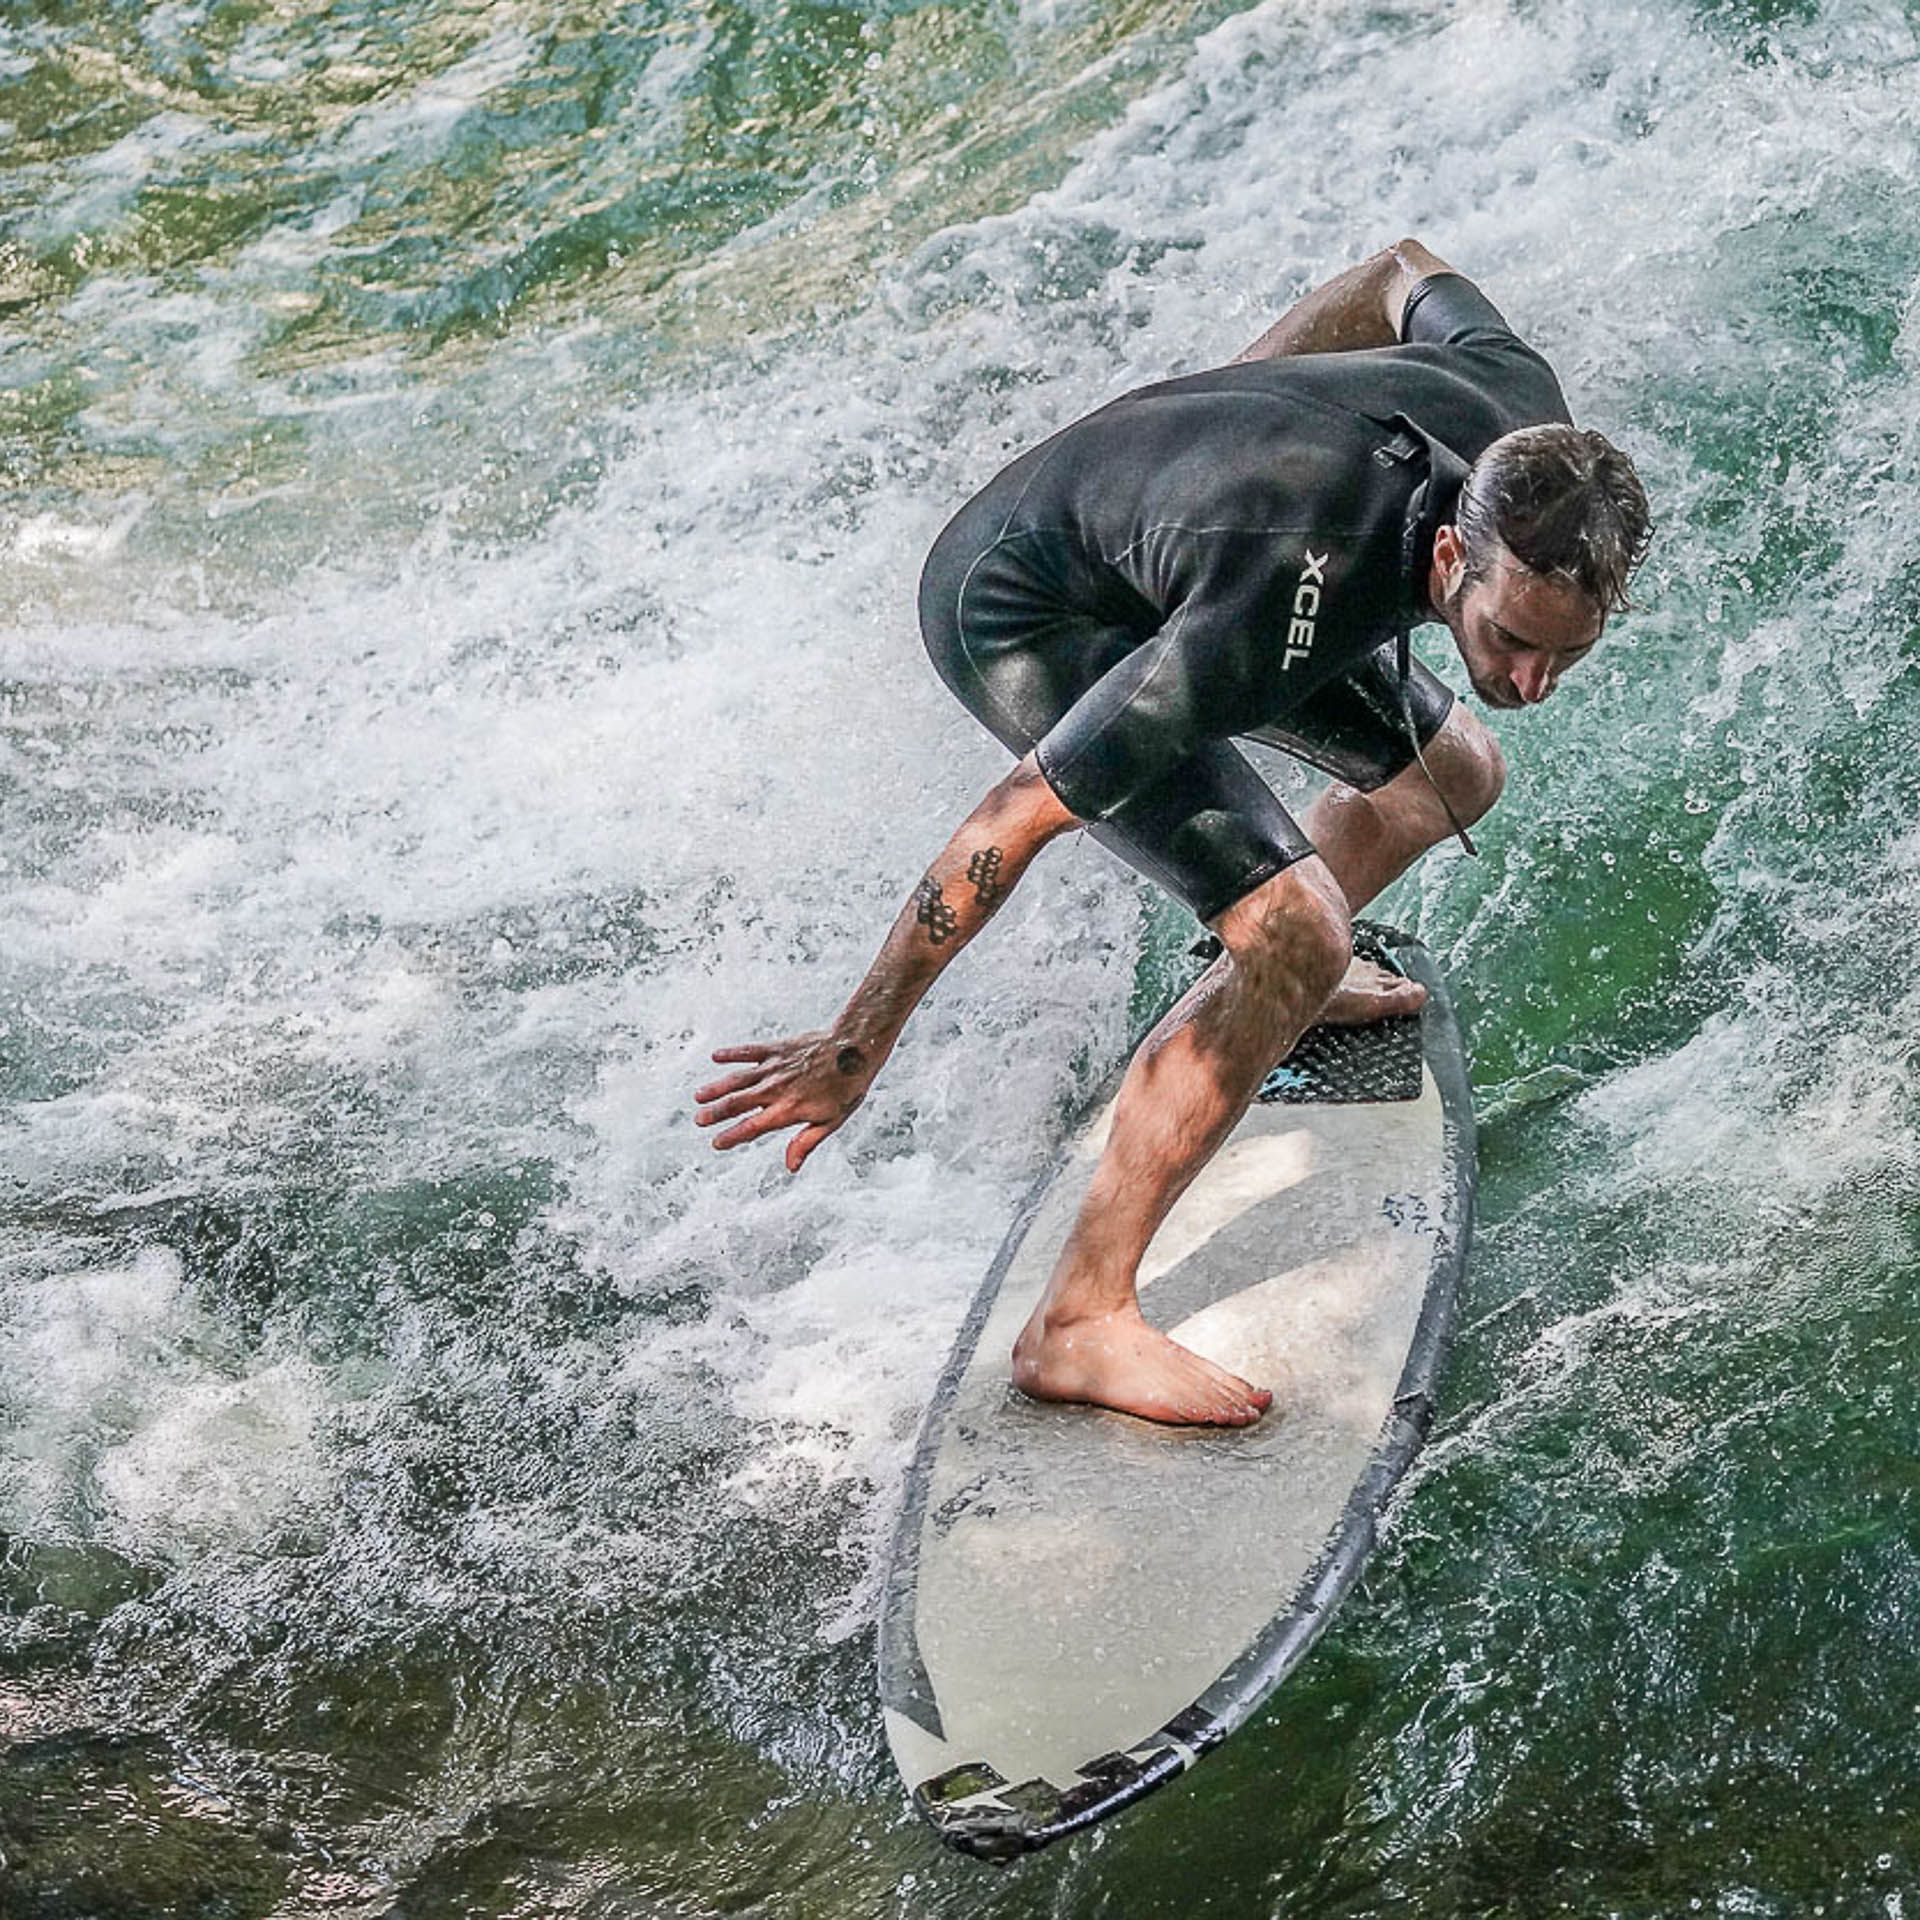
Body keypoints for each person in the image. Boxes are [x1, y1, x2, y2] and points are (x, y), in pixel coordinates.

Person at [693, 238, 1652, 1428]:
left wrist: (1233, 412)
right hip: (1027, 605)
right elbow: (1014, 819)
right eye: (1511, 639)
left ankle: (1265, 986)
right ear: (1453, 553)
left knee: (1454, 772)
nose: (1532, 679)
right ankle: (1077, 1320)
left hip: (1207, 542)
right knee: (1299, 931)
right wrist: (855, 1044)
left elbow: (1400, 271)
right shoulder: (1279, 599)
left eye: (1568, 651)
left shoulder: (1530, 425)